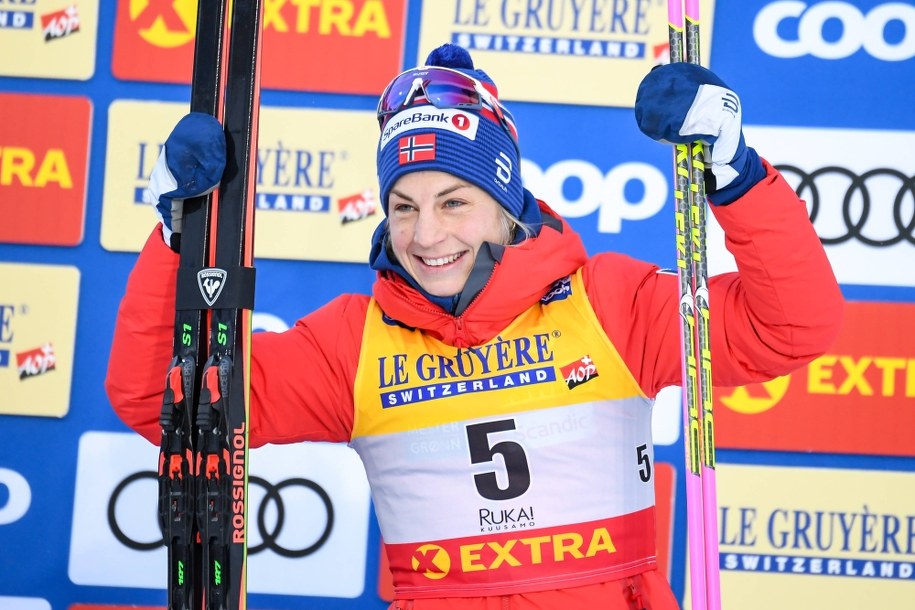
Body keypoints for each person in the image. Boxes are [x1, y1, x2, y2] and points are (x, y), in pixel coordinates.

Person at [107, 43, 843, 610]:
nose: (426, 234)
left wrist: (735, 172)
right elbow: (163, 404)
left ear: (504, 201)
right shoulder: (352, 344)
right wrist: (176, 231)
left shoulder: (607, 303)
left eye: (453, 201)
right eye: (403, 205)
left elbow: (789, 328)